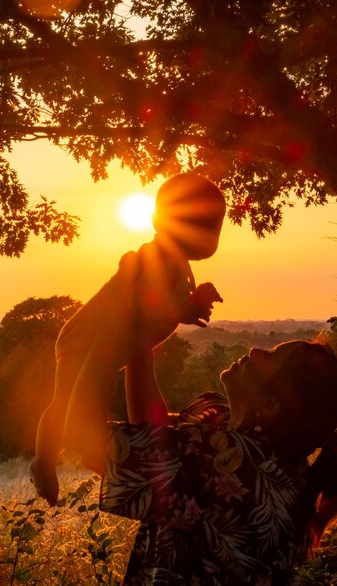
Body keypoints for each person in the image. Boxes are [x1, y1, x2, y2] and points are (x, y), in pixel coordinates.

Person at [62, 339, 337, 585]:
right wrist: (141, 335)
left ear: (270, 405)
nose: (254, 351)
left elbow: (84, 437)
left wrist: (107, 340)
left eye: (270, 357)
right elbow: (152, 430)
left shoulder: (228, 462)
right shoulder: (267, 457)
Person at [31, 173, 227, 506]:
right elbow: (146, 300)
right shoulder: (156, 257)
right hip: (86, 339)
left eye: (211, 225)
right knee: (64, 401)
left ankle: (94, 454)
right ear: (155, 222)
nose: (204, 233)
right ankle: (43, 459)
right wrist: (184, 308)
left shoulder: (178, 264)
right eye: (194, 223)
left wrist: (194, 301)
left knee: (81, 407)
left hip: (112, 348)